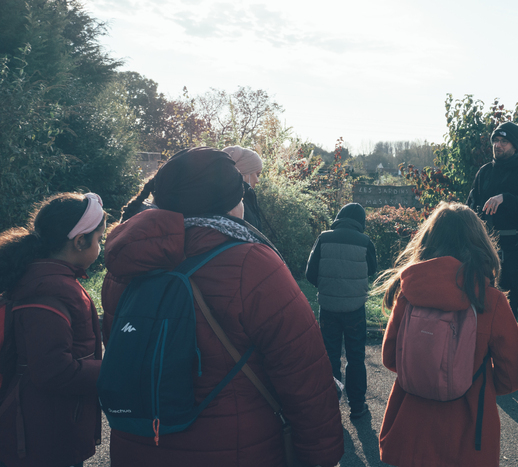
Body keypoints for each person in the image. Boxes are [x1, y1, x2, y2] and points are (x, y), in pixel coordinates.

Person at [101, 147, 344, 467]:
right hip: (236, 449)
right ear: (228, 204)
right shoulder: (252, 265)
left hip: (137, 447)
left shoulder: (124, 268)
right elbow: (304, 377)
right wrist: (321, 457)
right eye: (241, 196)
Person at [376, 201, 518, 466]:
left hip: (410, 432)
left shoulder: (409, 293)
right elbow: (511, 377)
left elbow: (390, 358)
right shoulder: (491, 301)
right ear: (480, 243)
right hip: (468, 436)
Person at [0, 193, 106, 467]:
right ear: (80, 241)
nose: (101, 246)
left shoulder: (48, 279)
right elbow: (53, 370)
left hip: (47, 423)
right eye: (99, 238)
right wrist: (112, 370)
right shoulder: (48, 288)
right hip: (43, 431)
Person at [305, 203, 377, 419]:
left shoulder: (324, 238)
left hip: (328, 308)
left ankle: (330, 406)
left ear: (339, 217)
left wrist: (328, 287)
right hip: (355, 309)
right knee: (356, 357)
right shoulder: (365, 242)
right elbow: (372, 270)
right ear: (361, 221)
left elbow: (310, 273)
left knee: (329, 355)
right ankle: (357, 406)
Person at [467, 121, 518, 319]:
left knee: (506, 308)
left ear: (515, 146)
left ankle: (506, 348)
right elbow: (471, 206)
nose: (497, 145)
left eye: (504, 142)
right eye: (496, 141)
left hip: (512, 251)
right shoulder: (484, 172)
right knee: (478, 303)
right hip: (482, 248)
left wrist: (506, 199)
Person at [223, 145, 264, 231]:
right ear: (244, 172)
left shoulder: (223, 197)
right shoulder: (237, 204)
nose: (257, 180)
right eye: (257, 174)